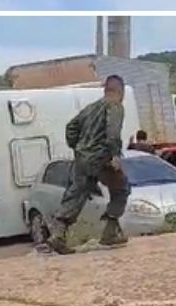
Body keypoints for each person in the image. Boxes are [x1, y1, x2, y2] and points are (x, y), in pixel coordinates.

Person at [47, 75, 130, 255]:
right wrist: (114, 154)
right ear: (120, 91)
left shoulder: (90, 108)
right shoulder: (115, 106)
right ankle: (110, 231)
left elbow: (71, 127)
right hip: (101, 158)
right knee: (121, 188)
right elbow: (113, 132)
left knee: (76, 192)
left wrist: (77, 146)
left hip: (82, 157)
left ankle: (58, 235)